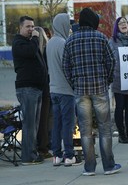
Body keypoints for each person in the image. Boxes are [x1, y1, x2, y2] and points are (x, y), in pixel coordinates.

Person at [62, 7, 121, 176]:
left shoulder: (70, 41)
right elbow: (111, 63)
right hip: (99, 88)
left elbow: (66, 67)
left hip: (81, 90)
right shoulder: (101, 38)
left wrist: (74, 84)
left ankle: (89, 168)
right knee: (105, 128)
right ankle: (108, 166)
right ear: (93, 21)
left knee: (85, 130)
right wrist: (107, 81)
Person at [46, 13, 81, 166]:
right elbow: (67, 66)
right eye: (68, 24)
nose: (69, 27)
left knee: (57, 123)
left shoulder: (50, 42)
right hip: (66, 90)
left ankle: (57, 156)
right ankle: (69, 155)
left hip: (53, 89)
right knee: (68, 124)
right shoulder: (63, 43)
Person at [12, 16, 47, 165]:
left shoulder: (28, 42)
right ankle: (27, 157)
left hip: (36, 88)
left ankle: (32, 153)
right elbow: (31, 52)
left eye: (33, 26)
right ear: (20, 28)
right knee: (29, 125)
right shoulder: (19, 42)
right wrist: (34, 39)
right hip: (27, 89)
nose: (31, 29)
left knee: (35, 125)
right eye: (28, 26)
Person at [109, 17, 128, 144]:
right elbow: (109, 58)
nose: (123, 24)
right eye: (120, 23)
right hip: (118, 80)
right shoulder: (113, 41)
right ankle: (121, 135)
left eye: (125, 22)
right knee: (120, 107)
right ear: (117, 26)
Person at [34, 26, 52, 159]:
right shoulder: (46, 50)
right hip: (47, 87)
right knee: (46, 119)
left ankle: (39, 145)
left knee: (37, 119)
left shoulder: (34, 50)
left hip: (36, 87)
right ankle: (44, 147)